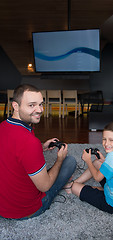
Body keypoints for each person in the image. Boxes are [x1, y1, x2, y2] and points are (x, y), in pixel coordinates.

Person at [0, 84, 76, 220]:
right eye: (31, 105)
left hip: (3, 207)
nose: (39, 110)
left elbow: (13, 151)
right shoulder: (29, 142)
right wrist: (59, 160)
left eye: (41, 104)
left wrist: (41, 148)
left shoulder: (3, 127)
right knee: (70, 161)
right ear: (15, 106)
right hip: (27, 210)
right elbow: (44, 186)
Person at [65, 122, 113, 215]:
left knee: (74, 187)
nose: (106, 143)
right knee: (97, 163)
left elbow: (97, 177)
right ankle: (74, 183)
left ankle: (73, 185)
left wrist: (88, 161)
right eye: (104, 139)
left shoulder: (112, 158)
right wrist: (104, 160)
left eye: (111, 140)